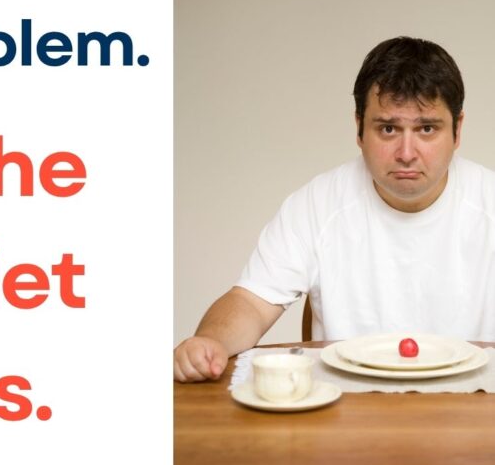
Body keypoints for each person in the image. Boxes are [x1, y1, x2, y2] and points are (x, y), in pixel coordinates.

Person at [174, 36, 495, 382]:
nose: (406, 152)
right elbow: (252, 302)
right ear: (358, 128)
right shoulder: (316, 204)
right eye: (388, 128)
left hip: (474, 414)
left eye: (426, 129)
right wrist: (209, 341)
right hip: (341, 413)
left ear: (457, 130)